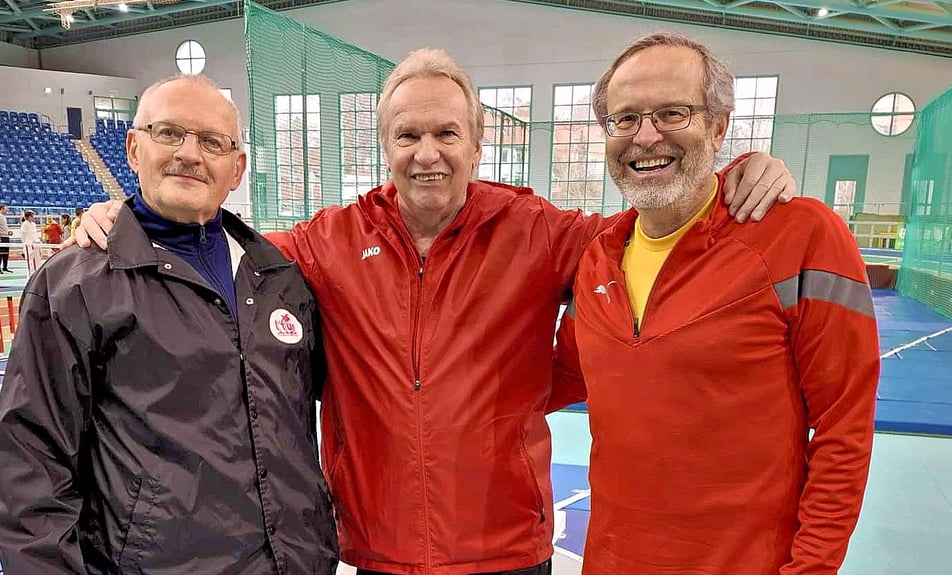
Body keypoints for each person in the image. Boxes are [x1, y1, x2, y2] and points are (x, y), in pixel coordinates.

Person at [75, 49, 796, 575]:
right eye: (408, 136)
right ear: (384, 146)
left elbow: (652, 232)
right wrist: (127, 215)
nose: (428, 154)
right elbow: (210, 238)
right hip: (380, 550)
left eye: (447, 134)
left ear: (477, 143)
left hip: (506, 549)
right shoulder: (326, 241)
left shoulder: (540, 232)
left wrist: (734, 176)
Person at [551, 32, 880, 575]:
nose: (645, 136)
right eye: (624, 119)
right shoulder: (597, 260)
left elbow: (844, 429)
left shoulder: (801, 236)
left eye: (672, 113)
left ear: (718, 126)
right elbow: (550, 380)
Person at [0, 74, 339, 575]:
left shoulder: (279, 277)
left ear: (236, 168)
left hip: (294, 563)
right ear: (134, 149)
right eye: (169, 133)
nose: (190, 154)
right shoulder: (75, 285)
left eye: (212, 141)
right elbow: (31, 465)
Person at [19, 210, 41, 274]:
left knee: (37, 260)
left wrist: (37, 240)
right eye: (32, 216)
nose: (33, 217)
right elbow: (23, 235)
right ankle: (31, 273)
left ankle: (37, 272)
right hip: (28, 244)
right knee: (30, 260)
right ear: (28, 217)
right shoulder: (25, 224)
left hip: (35, 244)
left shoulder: (33, 224)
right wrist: (26, 243)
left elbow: (35, 234)